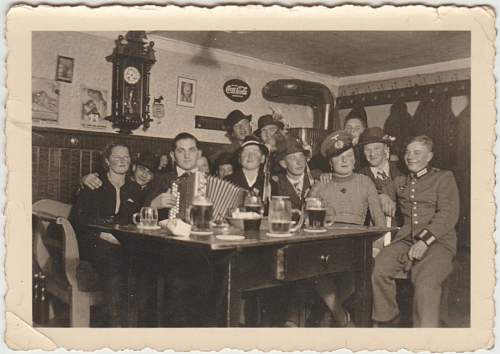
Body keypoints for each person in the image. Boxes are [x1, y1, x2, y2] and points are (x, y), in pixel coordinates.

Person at [371, 135, 460, 328]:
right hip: (405, 241)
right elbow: (375, 187)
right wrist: (382, 196)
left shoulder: (443, 177)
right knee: (378, 268)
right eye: (408, 152)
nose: (410, 157)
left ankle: (424, 337)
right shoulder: (401, 180)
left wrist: (424, 241)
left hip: (438, 242)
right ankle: (388, 319)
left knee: (425, 284)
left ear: (429, 156)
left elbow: (448, 214)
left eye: (417, 152)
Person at [308, 130, 385, 327]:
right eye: (338, 157)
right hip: (326, 242)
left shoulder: (365, 182)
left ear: (355, 159)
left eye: (349, 156)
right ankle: (343, 319)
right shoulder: (321, 184)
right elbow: (306, 215)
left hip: (355, 244)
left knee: (359, 270)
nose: (344, 161)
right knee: (315, 270)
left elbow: (380, 221)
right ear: (330, 163)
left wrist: (375, 248)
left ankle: (329, 312)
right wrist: (316, 188)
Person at [69, 143, 143, 326]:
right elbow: (79, 221)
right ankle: (115, 327)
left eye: (126, 157)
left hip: (124, 244)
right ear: (107, 161)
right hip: (95, 242)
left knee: (140, 267)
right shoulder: (94, 184)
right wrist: (103, 235)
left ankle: (133, 329)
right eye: (117, 157)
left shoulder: (135, 189)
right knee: (115, 266)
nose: (122, 161)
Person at [145, 132, 201, 221]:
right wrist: (153, 205)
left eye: (191, 150)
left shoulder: (208, 181)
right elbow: (142, 215)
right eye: (180, 151)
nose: (187, 156)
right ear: (172, 155)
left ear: (198, 153)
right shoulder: (160, 179)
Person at [357, 127, 404, 219]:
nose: (372, 154)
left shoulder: (402, 169)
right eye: (367, 149)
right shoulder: (360, 175)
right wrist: (378, 196)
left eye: (377, 148)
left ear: (386, 149)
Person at [270, 135, 312, 210]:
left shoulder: (316, 179)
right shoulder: (276, 184)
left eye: (301, 156)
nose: (299, 162)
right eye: (293, 158)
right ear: (283, 164)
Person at [225, 135, 268, 199]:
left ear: (262, 158)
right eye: (245, 152)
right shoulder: (228, 181)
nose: (250, 156)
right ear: (239, 159)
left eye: (255, 152)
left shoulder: (269, 182)